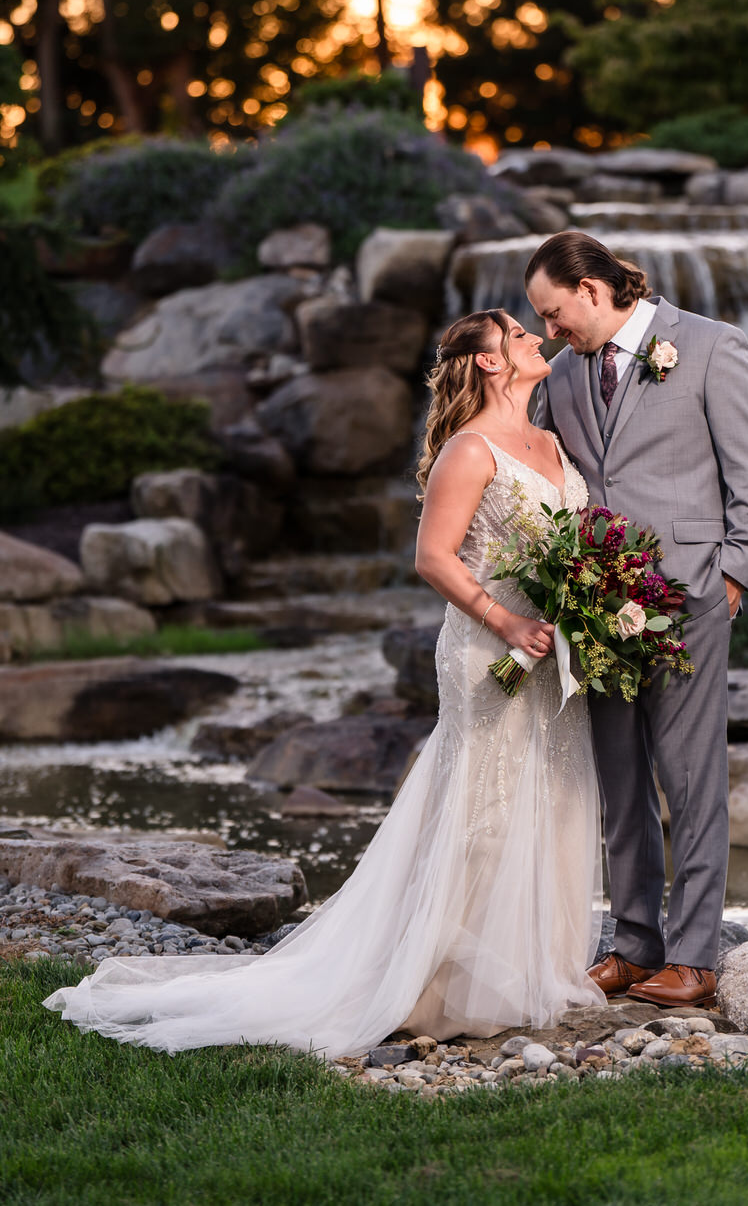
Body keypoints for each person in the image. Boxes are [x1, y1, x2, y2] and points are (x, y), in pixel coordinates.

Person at [42, 309, 606, 1056]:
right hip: (490, 646)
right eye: (519, 334)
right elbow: (434, 559)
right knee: (483, 804)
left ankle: (524, 972)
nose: (537, 338)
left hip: (550, 648)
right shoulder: (469, 452)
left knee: (549, 790)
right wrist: (504, 622)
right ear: (490, 362)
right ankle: (434, 984)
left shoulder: (552, 441)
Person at [526, 231, 748, 1009]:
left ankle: (697, 957)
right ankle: (635, 946)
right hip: (601, 603)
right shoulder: (563, 373)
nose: (548, 331)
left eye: (555, 312)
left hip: (692, 595)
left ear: (595, 290)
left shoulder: (707, 346)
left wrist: (734, 574)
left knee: (692, 776)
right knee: (618, 776)